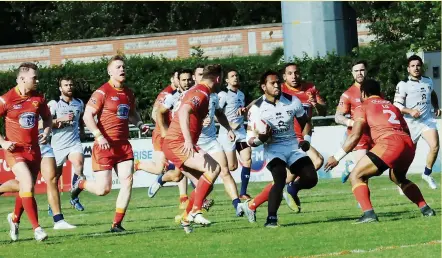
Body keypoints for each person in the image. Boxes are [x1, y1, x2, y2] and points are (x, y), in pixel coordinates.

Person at [325, 79, 436, 223]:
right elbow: (406, 129)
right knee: (398, 178)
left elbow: (355, 135)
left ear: (363, 93)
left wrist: (337, 157)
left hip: (389, 144)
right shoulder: (392, 106)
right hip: (408, 144)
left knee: (356, 176)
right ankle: (426, 209)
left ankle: (369, 214)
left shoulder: (363, 106)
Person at [70, 55, 149, 232]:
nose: (122, 70)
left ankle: (116, 224)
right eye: (118, 67)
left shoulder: (128, 93)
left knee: (127, 181)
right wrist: (99, 135)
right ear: (110, 72)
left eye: (123, 67)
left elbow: (132, 113)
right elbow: (87, 115)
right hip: (104, 146)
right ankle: (80, 184)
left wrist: (140, 124)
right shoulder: (102, 92)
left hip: (123, 146)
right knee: (103, 190)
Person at [238, 71, 317, 227]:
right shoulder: (256, 109)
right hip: (273, 149)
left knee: (311, 178)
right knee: (279, 178)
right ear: (263, 87)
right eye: (272, 83)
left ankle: (293, 187)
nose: (277, 85)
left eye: (278, 82)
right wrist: (261, 139)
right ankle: (271, 219)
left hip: (292, 146)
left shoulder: (292, 101)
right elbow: (249, 139)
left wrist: (306, 139)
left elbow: (305, 122)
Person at [162, 64, 224, 233]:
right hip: (178, 143)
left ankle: (186, 218)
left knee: (204, 185)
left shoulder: (199, 91)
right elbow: (183, 112)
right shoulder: (201, 92)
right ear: (218, 79)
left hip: (175, 144)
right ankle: (196, 211)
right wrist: (189, 141)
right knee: (215, 168)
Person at [0, 62, 52, 241]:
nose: (37, 80)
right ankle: (37, 229)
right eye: (34, 77)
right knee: (28, 184)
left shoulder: (39, 98)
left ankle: (14, 219)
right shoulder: (6, 99)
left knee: (25, 188)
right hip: (16, 151)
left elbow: (47, 118)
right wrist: (3, 143)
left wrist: (46, 132)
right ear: (22, 79)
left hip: (35, 151)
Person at [280, 63, 326, 212]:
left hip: (305, 137)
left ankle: (286, 190)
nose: (294, 76)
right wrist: (248, 109)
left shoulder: (310, 88)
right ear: (284, 76)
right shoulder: (281, 89)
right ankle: (291, 189)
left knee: (293, 172)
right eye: (290, 73)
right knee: (317, 160)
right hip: (290, 138)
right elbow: (262, 100)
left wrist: (316, 105)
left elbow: (324, 110)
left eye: (296, 73)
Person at [146, 69, 193, 209]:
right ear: (175, 79)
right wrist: (166, 131)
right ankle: (138, 165)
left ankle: (185, 198)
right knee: (162, 168)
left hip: (183, 136)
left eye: (188, 79)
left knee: (181, 170)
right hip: (168, 136)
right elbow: (156, 113)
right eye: (181, 79)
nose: (185, 82)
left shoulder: (192, 94)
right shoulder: (168, 95)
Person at [394, 54, 440, 190]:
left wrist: (436, 106)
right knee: (407, 155)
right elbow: (396, 104)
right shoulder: (403, 84)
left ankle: (427, 174)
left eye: (418, 65)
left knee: (435, 146)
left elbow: (432, 93)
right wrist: (409, 111)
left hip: (426, 121)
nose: (416, 68)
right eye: (413, 66)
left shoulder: (428, 81)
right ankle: (400, 180)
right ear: (408, 69)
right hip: (410, 123)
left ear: (422, 67)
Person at [47, 77, 86, 212]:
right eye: (66, 85)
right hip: (58, 144)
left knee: (79, 167)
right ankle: (53, 203)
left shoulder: (79, 103)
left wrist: (81, 131)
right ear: (60, 88)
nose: (69, 87)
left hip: (74, 141)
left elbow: (81, 119)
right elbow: (45, 123)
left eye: (71, 84)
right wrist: (60, 120)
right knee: (55, 177)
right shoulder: (54, 104)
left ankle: (74, 198)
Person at [334, 60, 373, 183]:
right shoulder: (348, 94)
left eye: (361, 70)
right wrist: (352, 123)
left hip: (374, 133)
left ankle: (350, 167)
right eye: (356, 71)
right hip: (359, 135)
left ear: (366, 71)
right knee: (363, 173)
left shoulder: (374, 89)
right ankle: (362, 203)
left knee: (377, 166)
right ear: (352, 73)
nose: (359, 73)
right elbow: (338, 117)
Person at [217, 69, 252, 200]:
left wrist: (243, 112)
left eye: (236, 75)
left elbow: (240, 112)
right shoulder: (223, 94)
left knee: (247, 159)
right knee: (232, 167)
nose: (235, 78)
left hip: (241, 132)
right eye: (232, 76)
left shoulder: (241, 94)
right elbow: (216, 115)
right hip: (227, 133)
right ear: (226, 80)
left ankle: (243, 192)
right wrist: (230, 125)